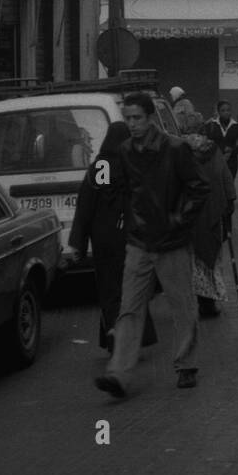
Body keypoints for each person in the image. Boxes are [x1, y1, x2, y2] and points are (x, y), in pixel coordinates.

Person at [94, 92, 210, 398]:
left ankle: (186, 365)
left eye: (137, 118)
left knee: (181, 304)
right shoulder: (125, 151)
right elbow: (128, 191)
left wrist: (178, 220)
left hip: (172, 242)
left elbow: (199, 187)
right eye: (127, 118)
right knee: (128, 308)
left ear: (150, 117)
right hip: (139, 241)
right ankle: (118, 374)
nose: (131, 124)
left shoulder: (175, 149)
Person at [67, 122, 158, 352]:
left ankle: (113, 336)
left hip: (104, 239)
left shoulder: (100, 168)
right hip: (131, 237)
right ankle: (135, 336)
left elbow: (85, 206)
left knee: (109, 289)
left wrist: (78, 242)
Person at [182, 113, 236, 318]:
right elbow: (225, 176)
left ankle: (197, 300)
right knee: (212, 255)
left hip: (190, 212)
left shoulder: (180, 149)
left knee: (194, 257)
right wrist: (229, 203)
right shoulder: (213, 150)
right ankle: (209, 300)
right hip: (213, 209)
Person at [204, 100, 238, 180]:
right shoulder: (210, 125)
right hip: (214, 161)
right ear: (219, 112)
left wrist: (232, 151)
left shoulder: (236, 126)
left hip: (231, 162)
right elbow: (206, 142)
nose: (226, 113)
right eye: (223, 110)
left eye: (228, 110)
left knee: (229, 184)